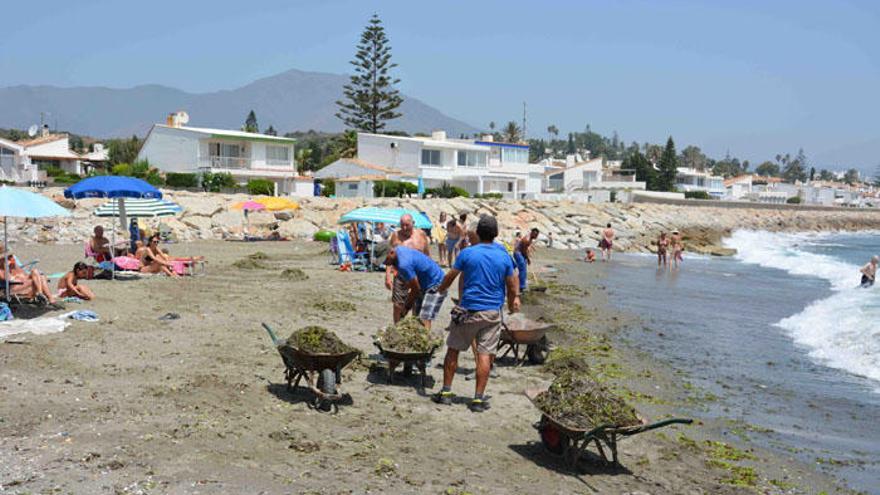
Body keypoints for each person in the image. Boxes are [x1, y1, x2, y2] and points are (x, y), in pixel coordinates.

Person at [432, 215, 520, 413]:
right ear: (495, 235)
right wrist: (513, 301)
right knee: (484, 355)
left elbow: (451, 276)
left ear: (478, 233)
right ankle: (478, 399)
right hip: (492, 313)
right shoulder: (504, 256)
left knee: (453, 350)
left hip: (468, 310)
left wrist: (440, 289)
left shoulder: (467, 253)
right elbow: (512, 284)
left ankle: (446, 392)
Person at [384, 246, 447, 329]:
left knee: (425, 317)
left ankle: (425, 340)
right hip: (424, 283)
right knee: (416, 317)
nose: (385, 263)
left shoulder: (404, 264)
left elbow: (415, 290)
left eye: (386, 259)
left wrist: (406, 307)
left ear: (391, 253)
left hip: (437, 283)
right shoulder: (399, 250)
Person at [386, 214, 431, 323]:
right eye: (402, 225)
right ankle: (398, 328)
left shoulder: (421, 235)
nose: (404, 228)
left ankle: (415, 329)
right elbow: (390, 257)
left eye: (407, 225)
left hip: (419, 275)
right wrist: (387, 276)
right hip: (401, 275)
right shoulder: (395, 235)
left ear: (413, 223)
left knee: (417, 304)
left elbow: (427, 256)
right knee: (398, 305)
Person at [514, 228, 539, 292]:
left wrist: (528, 257)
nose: (536, 236)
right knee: (522, 269)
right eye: (535, 235)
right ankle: (521, 287)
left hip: (522, 252)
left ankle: (521, 284)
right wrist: (528, 259)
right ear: (532, 233)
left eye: (537, 235)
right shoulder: (527, 239)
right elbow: (523, 251)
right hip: (518, 253)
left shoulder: (530, 239)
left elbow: (526, 249)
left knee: (524, 269)